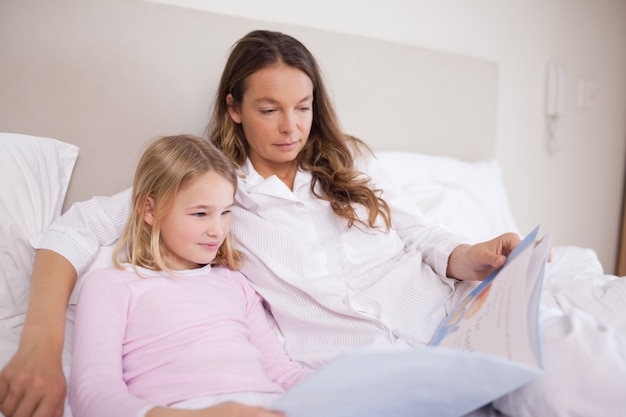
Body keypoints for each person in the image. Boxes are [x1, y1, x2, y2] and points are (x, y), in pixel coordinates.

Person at [2, 29, 624, 417]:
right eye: (268, 109)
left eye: (301, 107)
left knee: (571, 357)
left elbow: (417, 234)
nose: (290, 127)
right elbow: (72, 233)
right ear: (234, 110)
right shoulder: (210, 190)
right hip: (368, 362)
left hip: (456, 313)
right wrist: (40, 347)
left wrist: (469, 253)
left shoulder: (343, 171)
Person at [69, 134, 308, 417]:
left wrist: (335, 390)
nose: (217, 230)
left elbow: (280, 372)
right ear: (150, 209)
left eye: (225, 212)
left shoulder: (234, 281)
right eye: (200, 214)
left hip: (269, 407)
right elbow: (93, 394)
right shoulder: (112, 285)